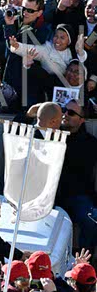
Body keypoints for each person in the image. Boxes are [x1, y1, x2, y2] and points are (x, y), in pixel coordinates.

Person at [57, 100, 97, 250]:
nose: (65, 114)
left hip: (78, 196)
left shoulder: (90, 143)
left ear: (81, 120)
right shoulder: (52, 135)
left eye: (71, 113)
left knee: (91, 220)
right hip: (53, 196)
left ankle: (84, 259)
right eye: (63, 110)